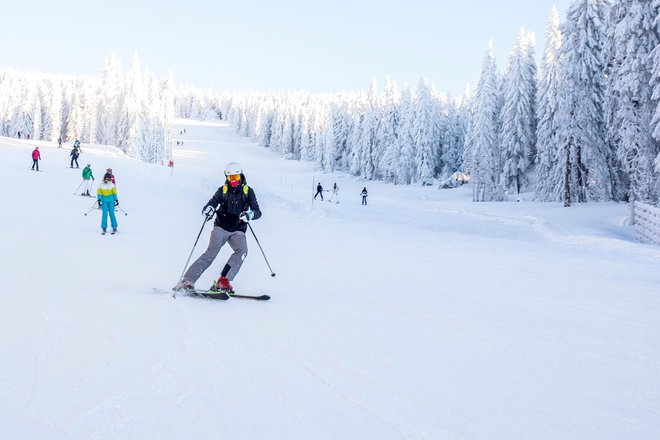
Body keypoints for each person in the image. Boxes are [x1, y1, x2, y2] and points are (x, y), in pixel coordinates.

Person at [177, 162, 262, 293]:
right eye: (230, 178)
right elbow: (212, 203)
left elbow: (257, 211)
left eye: (236, 177)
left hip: (238, 229)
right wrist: (209, 210)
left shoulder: (248, 192)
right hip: (221, 227)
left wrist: (250, 214)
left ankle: (223, 281)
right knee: (211, 253)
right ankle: (187, 280)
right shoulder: (222, 190)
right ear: (226, 177)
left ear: (241, 176)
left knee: (242, 251)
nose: (233, 181)